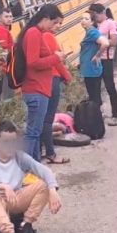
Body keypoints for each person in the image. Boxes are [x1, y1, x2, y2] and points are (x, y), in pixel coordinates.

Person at [16, 4, 66, 161]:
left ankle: (35, 166)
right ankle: (28, 167)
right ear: (45, 19)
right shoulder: (34, 33)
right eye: (54, 22)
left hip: (39, 89)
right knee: (33, 132)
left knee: (35, 132)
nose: (54, 26)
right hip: (36, 89)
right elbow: (33, 62)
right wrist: (55, 58)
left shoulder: (35, 32)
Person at [41, 17, 72, 165]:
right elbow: (57, 61)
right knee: (48, 119)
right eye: (56, 23)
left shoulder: (38, 35)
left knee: (43, 118)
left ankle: (42, 151)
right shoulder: (48, 36)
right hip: (53, 78)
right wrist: (67, 76)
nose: (58, 26)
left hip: (43, 80)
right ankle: (50, 153)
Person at [89, 3, 117, 126]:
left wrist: (101, 42)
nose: (93, 16)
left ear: (102, 12)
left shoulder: (110, 24)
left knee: (110, 87)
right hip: (95, 59)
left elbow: (114, 41)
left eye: (94, 14)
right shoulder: (93, 25)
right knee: (95, 88)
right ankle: (97, 114)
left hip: (106, 59)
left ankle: (115, 115)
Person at [79, 11, 110, 107]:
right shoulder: (89, 32)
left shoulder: (92, 32)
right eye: (82, 18)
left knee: (94, 98)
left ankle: (96, 118)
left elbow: (105, 43)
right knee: (94, 97)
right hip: (89, 69)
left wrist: (97, 55)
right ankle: (97, 117)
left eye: (86, 19)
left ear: (92, 22)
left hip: (91, 70)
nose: (83, 21)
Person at [0, 7, 15, 101]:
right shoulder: (1, 30)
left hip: (4, 66)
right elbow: (3, 51)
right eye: (6, 16)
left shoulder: (1, 29)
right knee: (7, 94)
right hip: (5, 67)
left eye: (10, 16)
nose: (9, 19)